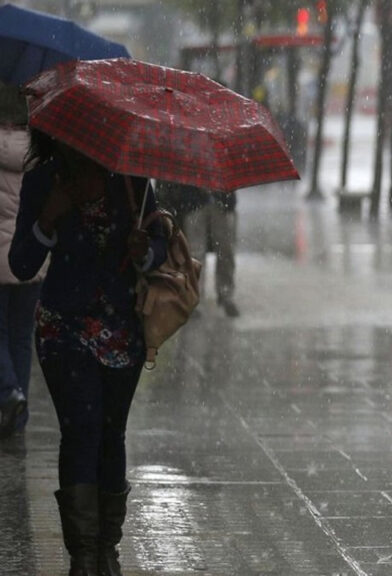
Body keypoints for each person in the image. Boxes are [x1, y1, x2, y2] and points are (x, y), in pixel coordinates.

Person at [9, 130, 167, 576]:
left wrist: (145, 253)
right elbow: (21, 263)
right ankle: (82, 554)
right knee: (81, 430)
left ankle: (106, 551)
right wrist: (47, 221)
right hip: (63, 330)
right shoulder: (44, 180)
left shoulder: (131, 182)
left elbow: (158, 247)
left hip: (121, 331)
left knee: (111, 434)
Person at [0, 115, 43, 440]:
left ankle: (8, 392)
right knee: (21, 335)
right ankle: (19, 415)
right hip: (28, 256)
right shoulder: (40, 148)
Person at [159, 182, 239, 318]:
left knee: (225, 251)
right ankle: (196, 298)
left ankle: (225, 295)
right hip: (194, 202)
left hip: (221, 201)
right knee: (195, 253)